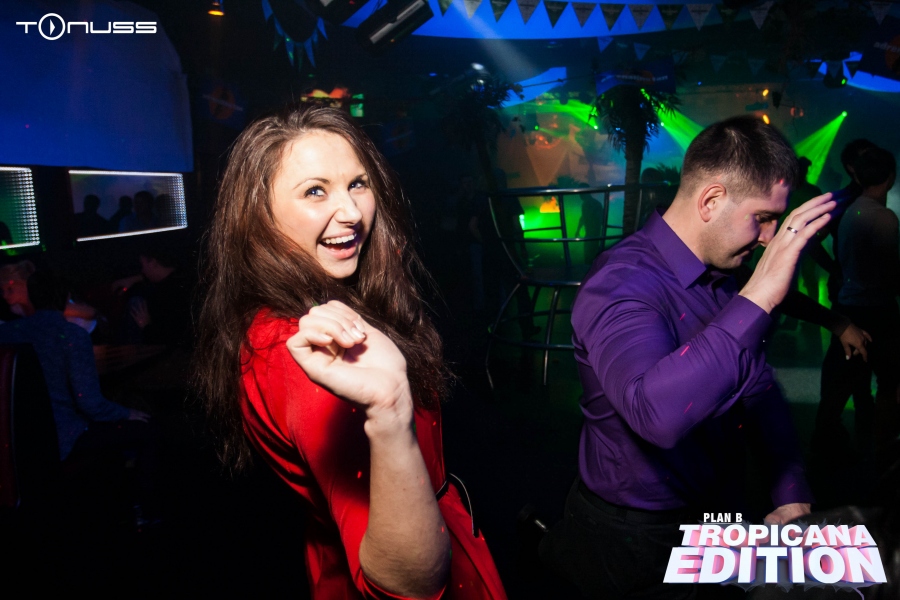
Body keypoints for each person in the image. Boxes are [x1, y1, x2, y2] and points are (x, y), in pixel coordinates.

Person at [193, 103, 506, 599]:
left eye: (358, 184)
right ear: (257, 215)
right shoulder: (311, 355)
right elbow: (407, 585)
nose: (353, 213)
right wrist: (390, 410)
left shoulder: (306, 308)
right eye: (315, 191)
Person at [539, 116, 832, 599]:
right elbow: (657, 416)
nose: (768, 236)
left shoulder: (724, 277)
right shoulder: (623, 282)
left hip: (718, 511)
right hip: (636, 535)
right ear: (711, 200)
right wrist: (760, 294)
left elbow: (758, 390)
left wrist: (790, 490)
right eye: (762, 217)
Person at [0, 268, 157, 524]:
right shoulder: (71, 336)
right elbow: (89, 402)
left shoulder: (8, 332)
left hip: (14, 439)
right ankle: (143, 512)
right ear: (65, 297)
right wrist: (127, 413)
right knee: (147, 427)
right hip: (62, 438)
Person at [814, 146, 900, 462]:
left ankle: (829, 444)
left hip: (849, 306)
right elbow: (890, 272)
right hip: (877, 309)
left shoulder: (851, 211)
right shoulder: (883, 217)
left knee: (842, 381)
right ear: (890, 178)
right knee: (889, 381)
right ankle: (884, 449)